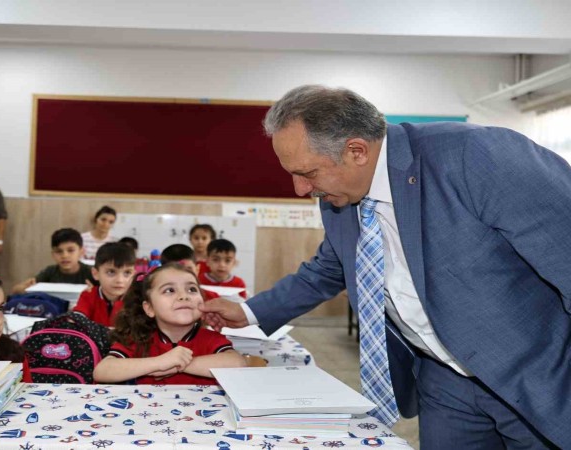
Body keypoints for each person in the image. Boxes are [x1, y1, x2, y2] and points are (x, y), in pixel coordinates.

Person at [199, 85, 571, 449]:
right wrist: (247, 310)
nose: (300, 189)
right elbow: (329, 268)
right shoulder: (340, 197)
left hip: (532, 374)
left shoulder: (475, 156)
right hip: (444, 380)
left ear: (356, 151)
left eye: (308, 173)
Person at [93, 263, 245, 385]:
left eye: (192, 289)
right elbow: (102, 371)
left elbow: (238, 364)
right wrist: (160, 362)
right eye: (169, 290)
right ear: (150, 308)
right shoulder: (139, 338)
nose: (183, 296)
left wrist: (179, 364)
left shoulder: (210, 339)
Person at [11, 228, 95, 294]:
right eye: (59, 251)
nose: (65, 256)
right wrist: (27, 287)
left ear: (81, 252)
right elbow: (15, 290)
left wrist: (95, 292)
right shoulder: (50, 272)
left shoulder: (92, 272)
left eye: (70, 250)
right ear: (53, 254)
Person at [73, 242, 136, 327]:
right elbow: (76, 320)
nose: (120, 280)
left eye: (127, 273)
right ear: (96, 274)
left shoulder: (136, 299)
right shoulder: (88, 295)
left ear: (134, 274)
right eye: (111, 272)